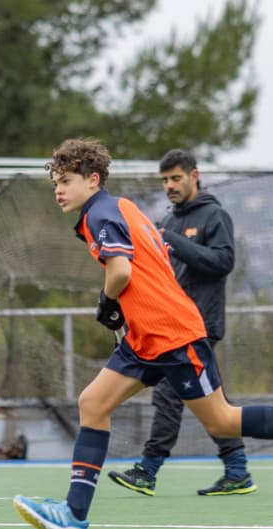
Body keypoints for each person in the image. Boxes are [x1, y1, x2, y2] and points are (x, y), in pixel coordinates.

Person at [13, 137, 273, 529]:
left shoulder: (101, 215)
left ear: (93, 180)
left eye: (66, 181)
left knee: (221, 420)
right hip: (146, 336)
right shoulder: (123, 207)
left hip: (171, 334)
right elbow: (153, 262)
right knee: (92, 404)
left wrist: (109, 301)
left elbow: (121, 272)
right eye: (55, 182)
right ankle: (74, 516)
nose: (58, 190)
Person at [107, 149, 255, 497]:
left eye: (176, 178)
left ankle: (148, 469)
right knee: (214, 404)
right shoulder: (170, 221)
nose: (170, 186)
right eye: (164, 180)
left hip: (198, 327)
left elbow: (223, 262)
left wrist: (172, 241)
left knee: (169, 397)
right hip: (170, 327)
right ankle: (237, 470)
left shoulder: (213, 216)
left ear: (194, 176)